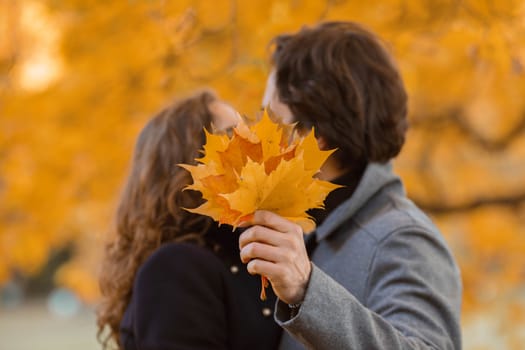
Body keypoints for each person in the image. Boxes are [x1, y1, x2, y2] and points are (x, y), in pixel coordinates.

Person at [238, 21, 462, 349]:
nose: (258, 137)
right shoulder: (315, 230)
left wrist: (306, 290)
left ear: (317, 133)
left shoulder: (402, 238)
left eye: (271, 120)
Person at [97, 90, 283, 350]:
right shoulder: (175, 268)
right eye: (231, 135)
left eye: (247, 131)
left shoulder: (248, 251)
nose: (252, 143)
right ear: (189, 163)